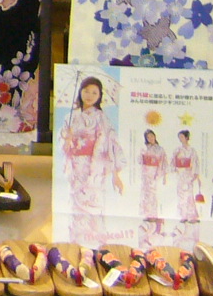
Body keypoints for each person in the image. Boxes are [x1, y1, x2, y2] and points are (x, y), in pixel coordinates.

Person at [59, 75, 123, 243]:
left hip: (95, 166)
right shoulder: (71, 117)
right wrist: (67, 138)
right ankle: (78, 239)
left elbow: (111, 143)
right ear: (80, 91)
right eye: (86, 91)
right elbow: (63, 146)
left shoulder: (101, 117)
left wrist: (115, 174)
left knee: (94, 201)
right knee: (76, 201)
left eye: (94, 93)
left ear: (99, 96)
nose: (89, 95)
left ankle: (95, 239)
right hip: (76, 165)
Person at [138, 128, 167, 237]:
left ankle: (155, 217)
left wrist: (161, 174)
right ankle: (148, 215)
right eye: (148, 137)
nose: (150, 138)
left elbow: (163, 162)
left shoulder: (160, 149)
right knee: (146, 195)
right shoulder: (144, 148)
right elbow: (140, 160)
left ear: (155, 136)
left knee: (154, 195)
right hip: (146, 173)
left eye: (151, 136)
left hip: (155, 173)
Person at [174, 129, 203, 226]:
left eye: (182, 137)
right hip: (180, 174)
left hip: (189, 174)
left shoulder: (192, 150)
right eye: (179, 137)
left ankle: (192, 216)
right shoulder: (177, 150)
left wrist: (196, 174)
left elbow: (196, 162)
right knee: (181, 195)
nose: (180, 139)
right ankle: (183, 215)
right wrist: (176, 166)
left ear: (187, 137)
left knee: (189, 195)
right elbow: (173, 161)